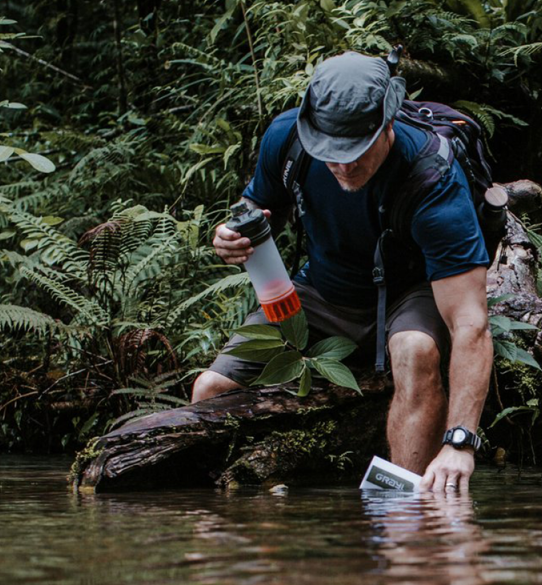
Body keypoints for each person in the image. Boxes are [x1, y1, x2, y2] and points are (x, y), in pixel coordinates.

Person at [192, 51, 493, 493]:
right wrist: (233, 235)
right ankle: (226, 512)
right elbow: (259, 207)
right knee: (210, 389)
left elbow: (470, 323)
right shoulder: (286, 138)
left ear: (389, 124)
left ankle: (405, 515)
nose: (344, 165)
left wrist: (459, 444)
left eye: (357, 150)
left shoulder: (433, 180)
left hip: (411, 292)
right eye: (331, 151)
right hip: (321, 291)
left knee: (414, 349)